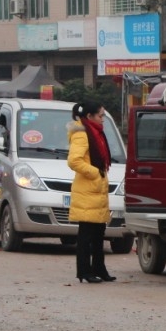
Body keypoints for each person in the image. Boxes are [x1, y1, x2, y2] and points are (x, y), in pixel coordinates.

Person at [66, 101, 115, 283]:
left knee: (98, 234)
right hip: (88, 190)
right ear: (89, 117)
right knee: (86, 235)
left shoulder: (96, 133)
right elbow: (74, 161)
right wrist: (94, 173)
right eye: (100, 115)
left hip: (97, 190)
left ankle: (99, 269)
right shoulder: (82, 134)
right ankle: (84, 271)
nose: (103, 119)